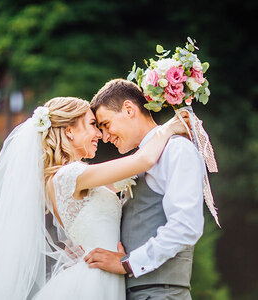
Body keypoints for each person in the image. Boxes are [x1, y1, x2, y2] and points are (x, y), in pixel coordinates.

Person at [0, 96, 188, 300]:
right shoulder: (69, 175)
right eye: (93, 124)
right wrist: (169, 128)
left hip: (102, 272)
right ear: (69, 130)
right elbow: (141, 161)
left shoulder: (69, 177)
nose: (100, 135)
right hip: (95, 279)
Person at [84, 78, 205, 300]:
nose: (105, 137)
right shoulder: (138, 161)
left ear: (129, 109)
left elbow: (187, 226)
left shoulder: (176, 150)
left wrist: (128, 263)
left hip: (162, 294)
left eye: (106, 125)